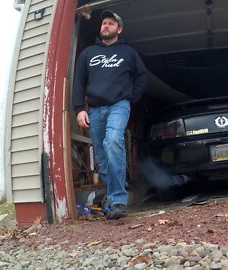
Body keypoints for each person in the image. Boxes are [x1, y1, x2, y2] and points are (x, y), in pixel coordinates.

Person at [72, 10, 148, 220]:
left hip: (119, 105)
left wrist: (131, 97)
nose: (106, 26)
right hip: (95, 109)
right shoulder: (88, 54)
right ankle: (114, 195)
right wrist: (79, 109)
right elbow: (78, 83)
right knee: (102, 158)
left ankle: (118, 200)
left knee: (113, 141)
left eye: (111, 23)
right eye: (104, 23)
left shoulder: (128, 52)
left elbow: (142, 76)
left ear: (119, 29)